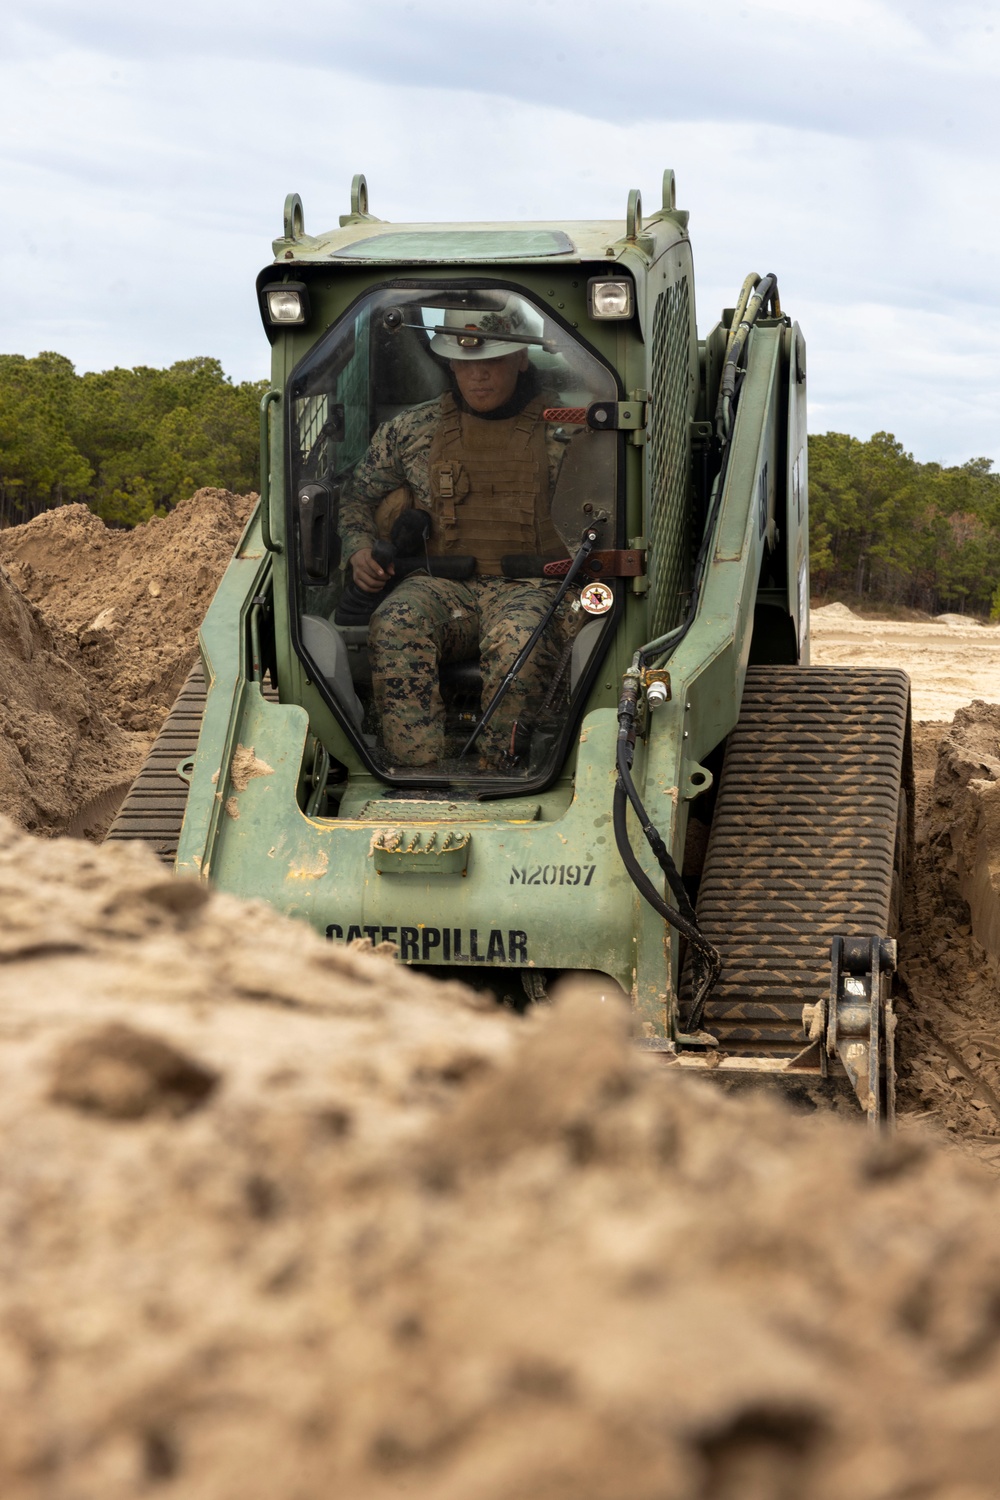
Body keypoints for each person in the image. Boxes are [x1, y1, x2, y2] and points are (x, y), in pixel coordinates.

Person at [338, 296, 574, 769]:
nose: (479, 375)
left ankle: (498, 770)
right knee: (398, 619)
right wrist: (359, 547)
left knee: (518, 639)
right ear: (450, 364)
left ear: (520, 359)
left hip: (534, 587)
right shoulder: (412, 430)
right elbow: (355, 496)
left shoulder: (567, 431)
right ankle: (416, 771)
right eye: (466, 364)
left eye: (492, 361)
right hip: (446, 584)